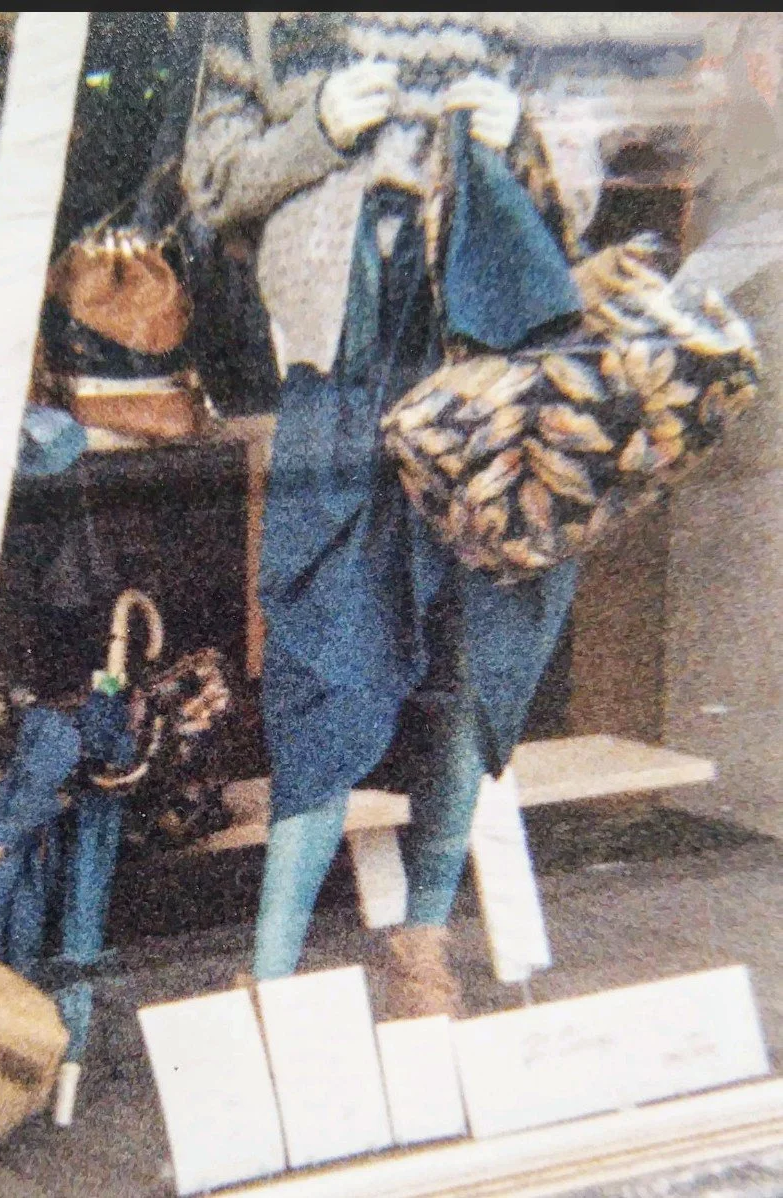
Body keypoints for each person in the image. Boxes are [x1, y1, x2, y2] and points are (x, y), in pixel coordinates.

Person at [182, 12, 607, 1016]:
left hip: (486, 359)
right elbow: (209, 187)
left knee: (477, 638)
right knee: (321, 652)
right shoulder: (259, 22)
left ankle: (421, 943)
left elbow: (577, 196)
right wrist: (318, 127)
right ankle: (273, 972)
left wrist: (524, 147)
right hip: (343, 363)